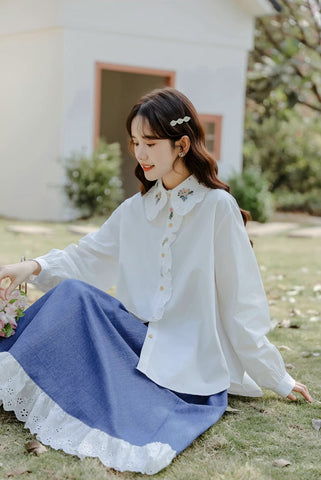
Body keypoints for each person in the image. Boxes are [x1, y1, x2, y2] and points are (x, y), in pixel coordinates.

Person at [0, 87, 312, 475]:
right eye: (134, 142)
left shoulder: (216, 208)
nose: (140, 153)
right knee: (73, 295)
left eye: (150, 142)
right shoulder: (136, 211)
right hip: (134, 343)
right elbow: (88, 257)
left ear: (182, 145)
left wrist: (276, 377)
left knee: (76, 298)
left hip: (189, 363)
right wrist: (29, 267)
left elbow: (240, 304)